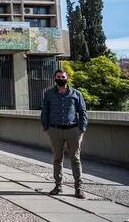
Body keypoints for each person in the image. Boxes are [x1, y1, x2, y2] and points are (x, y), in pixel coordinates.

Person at [41, 70, 88, 199]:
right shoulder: (49, 94)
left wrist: (82, 129)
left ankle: (78, 188)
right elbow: (44, 111)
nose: (61, 79)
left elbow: (83, 112)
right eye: (58, 77)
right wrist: (46, 128)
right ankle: (58, 186)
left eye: (63, 77)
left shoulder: (76, 94)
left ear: (67, 78)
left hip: (73, 130)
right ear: (54, 78)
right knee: (57, 159)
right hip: (55, 130)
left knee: (75, 159)